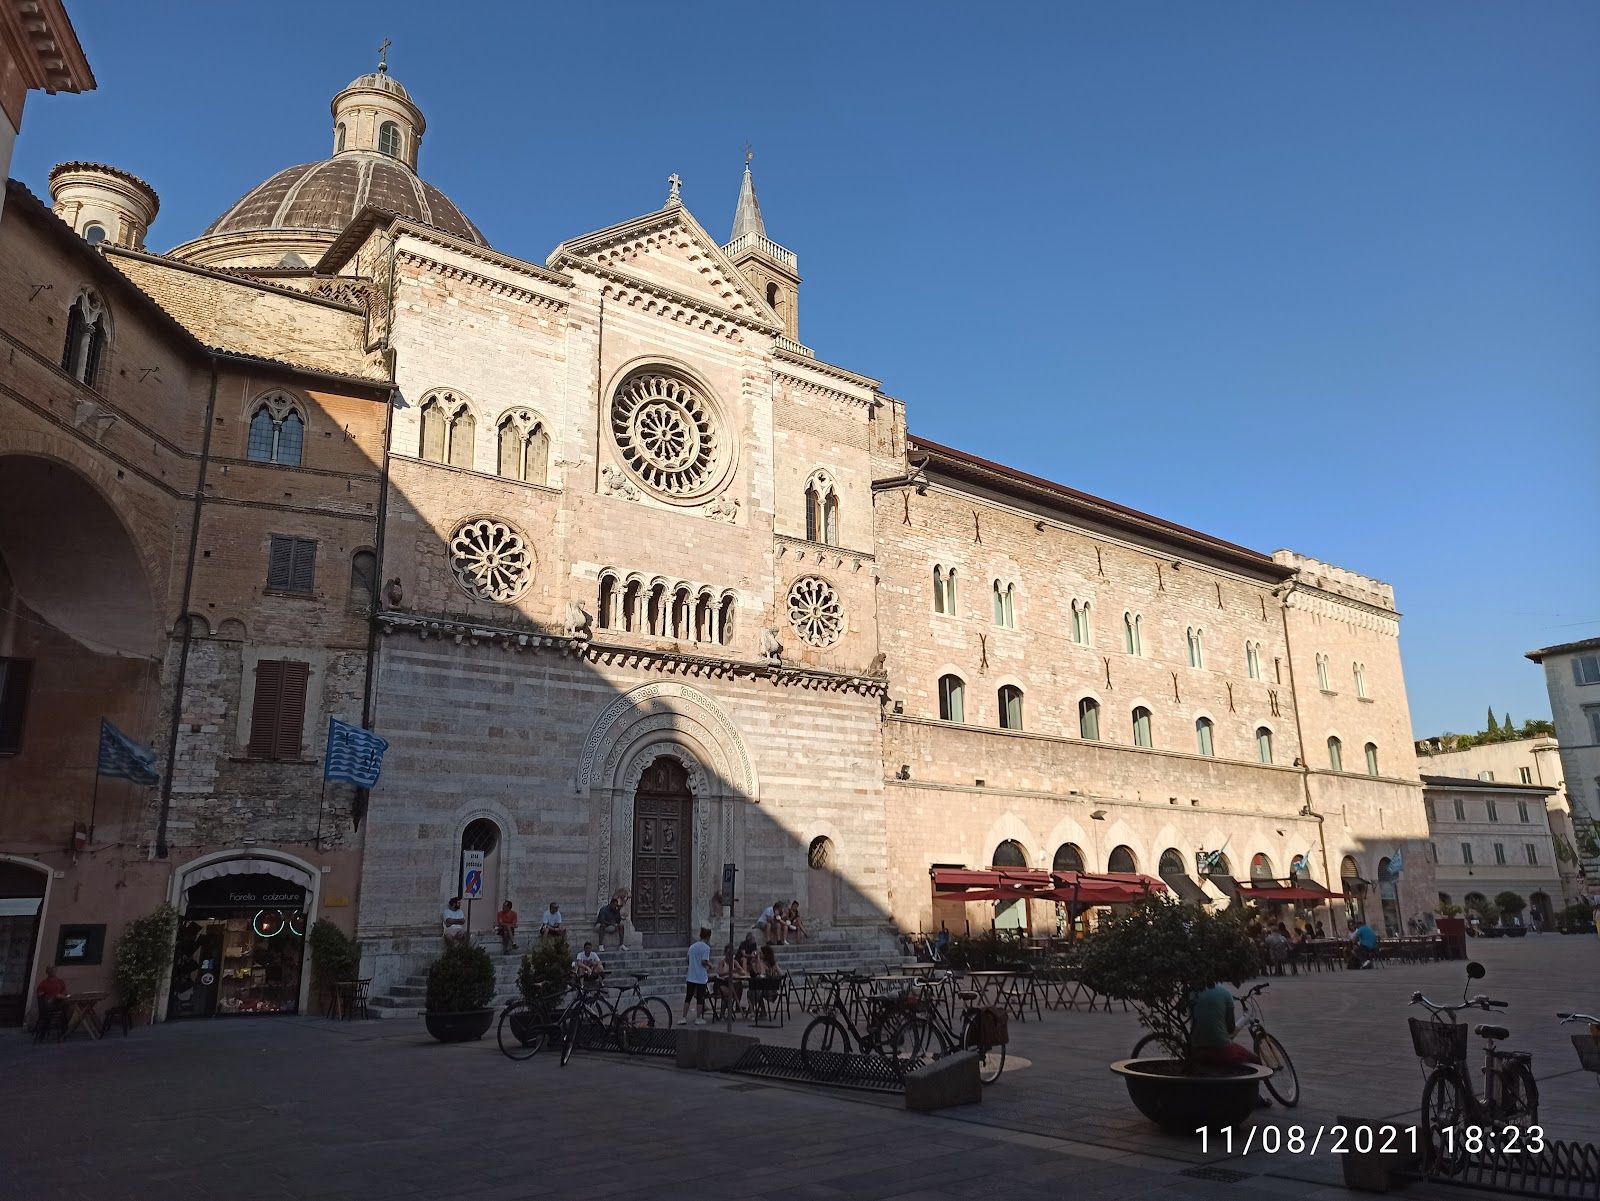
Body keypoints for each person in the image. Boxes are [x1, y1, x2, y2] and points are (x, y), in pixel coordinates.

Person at [1189, 979, 1270, 1106]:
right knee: (1254, 1060)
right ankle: (1254, 1098)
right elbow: (1231, 1028)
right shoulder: (1225, 993)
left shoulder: (1191, 991)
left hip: (1193, 1048)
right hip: (1220, 1050)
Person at [683, 926, 712, 1026]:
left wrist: (692, 965)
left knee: (688, 997)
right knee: (700, 998)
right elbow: (704, 961)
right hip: (700, 977)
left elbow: (687, 959)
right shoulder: (706, 948)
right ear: (708, 937)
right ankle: (698, 1018)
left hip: (691, 976)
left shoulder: (692, 946)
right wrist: (709, 965)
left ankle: (683, 1017)